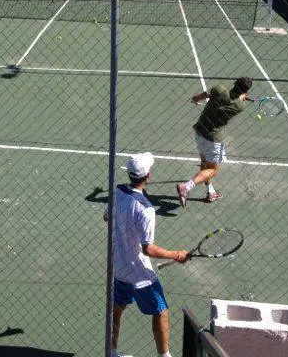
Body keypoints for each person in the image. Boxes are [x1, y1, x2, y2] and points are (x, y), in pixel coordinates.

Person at [105, 152, 190, 357]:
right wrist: (176, 254)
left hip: (118, 266)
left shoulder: (117, 192)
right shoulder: (146, 209)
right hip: (139, 273)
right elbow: (148, 249)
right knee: (161, 311)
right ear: (148, 176)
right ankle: (165, 356)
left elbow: (107, 217)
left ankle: (112, 352)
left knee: (117, 308)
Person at [176, 77, 253, 207]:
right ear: (246, 91)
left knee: (204, 164)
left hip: (199, 131)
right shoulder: (240, 106)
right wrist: (243, 97)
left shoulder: (220, 89)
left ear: (234, 83)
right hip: (213, 139)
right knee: (212, 170)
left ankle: (210, 192)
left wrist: (195, 99)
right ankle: (186, 187)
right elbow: (237, 102)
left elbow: (203, 95)